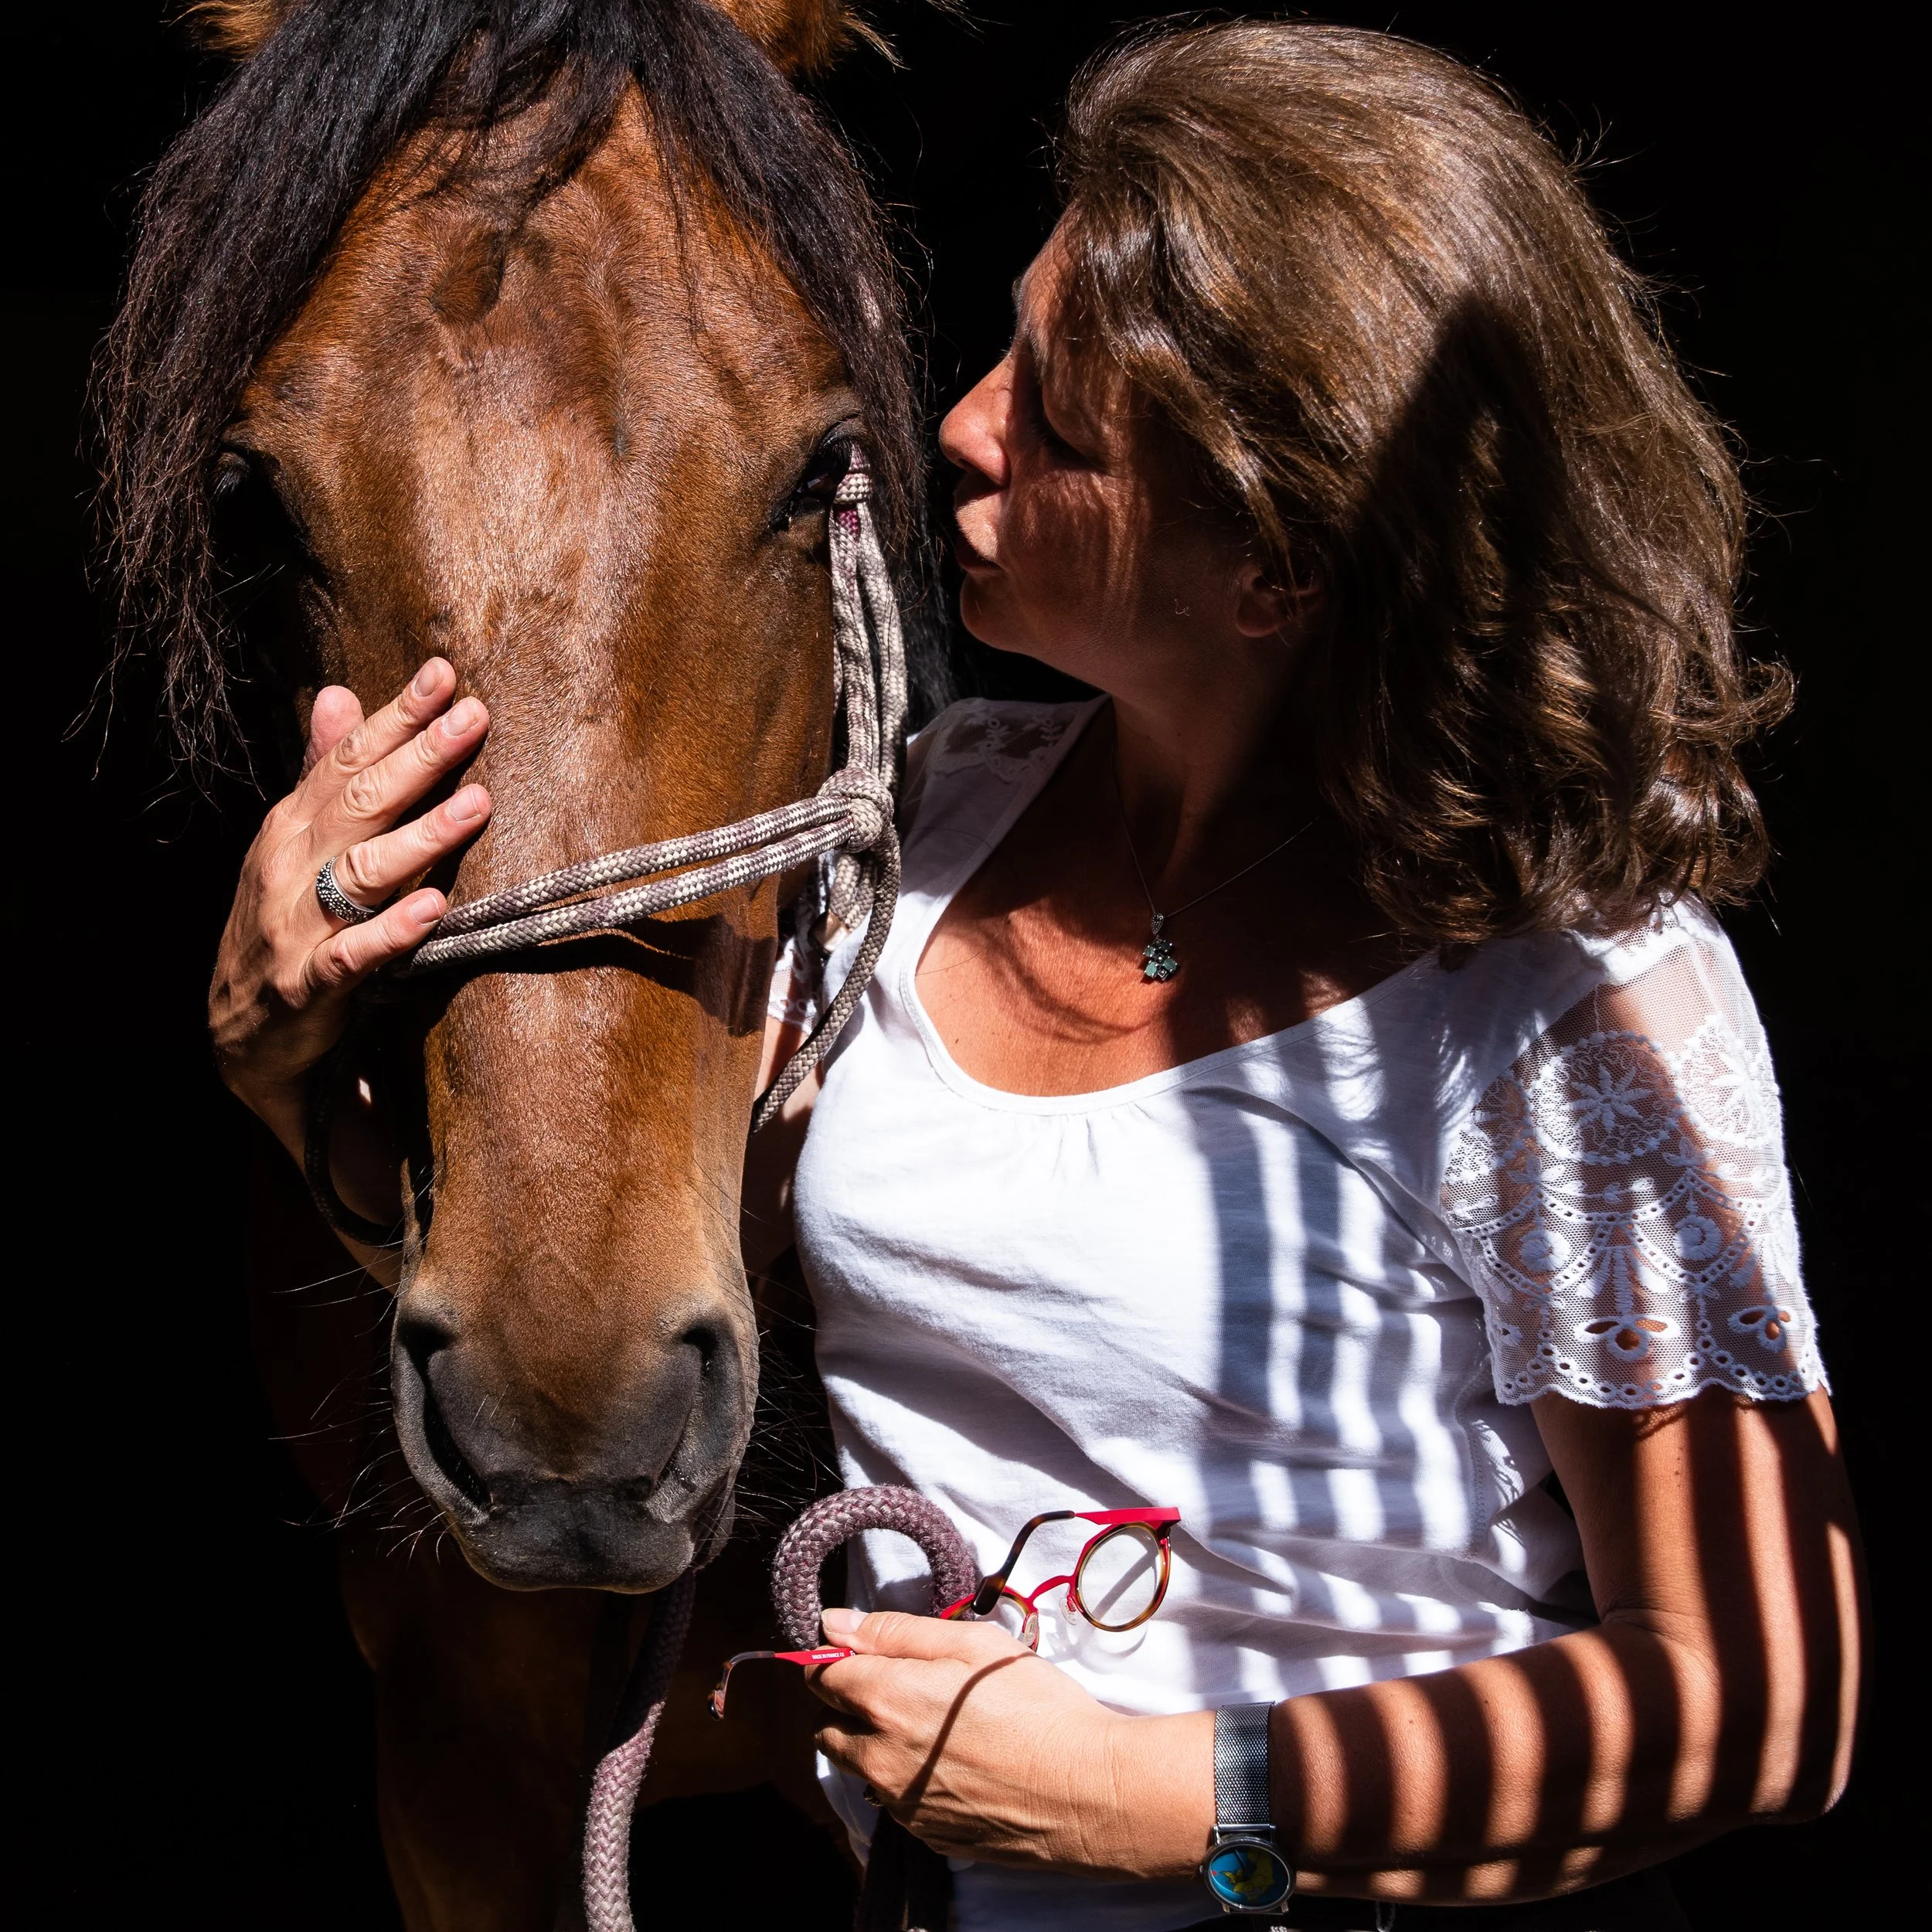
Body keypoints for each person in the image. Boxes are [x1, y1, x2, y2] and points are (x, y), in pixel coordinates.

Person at [210, 22, 1862, 1931]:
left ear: (1273, 557)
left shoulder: (1567, 1004)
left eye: (1060, 426)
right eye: (1002, 349)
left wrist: (1163, 1802)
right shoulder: (925, 830)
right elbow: (587, 1308)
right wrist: (283, 1066)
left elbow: (1760, 1698)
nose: (959, 428)